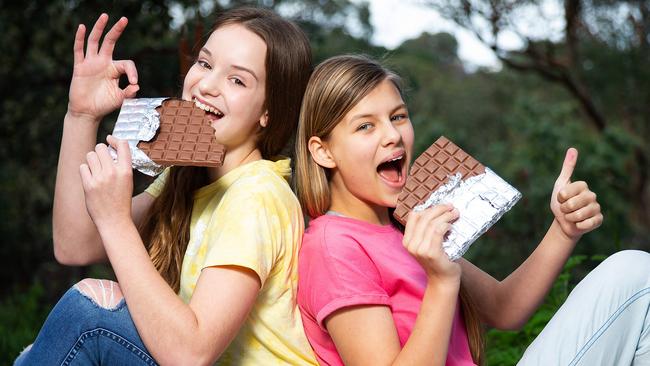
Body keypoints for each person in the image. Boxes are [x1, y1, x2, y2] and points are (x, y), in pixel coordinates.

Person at [294, 54, 650, 366]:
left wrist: (564, 229)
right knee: (635, 274)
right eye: (366, 126)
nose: (393, 135)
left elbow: (505, 308)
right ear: (323, 151)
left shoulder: (408, 226)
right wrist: (442, 281)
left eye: (398, 117)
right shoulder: (334, 247)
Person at [16, 7, 317, 365]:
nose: (206, 85)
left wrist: (115, 220)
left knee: (89, 316)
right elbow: (75, 245)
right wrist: (81, 115)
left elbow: (191, 354)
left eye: (237, 80)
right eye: (205, 64)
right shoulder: (184, 175)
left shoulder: (257, 196)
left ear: (269, 111)